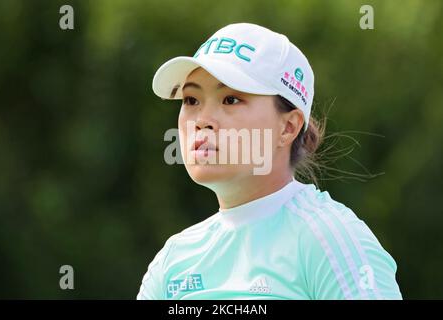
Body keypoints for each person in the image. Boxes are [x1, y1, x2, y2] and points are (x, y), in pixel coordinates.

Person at [137, 22, 402, 300]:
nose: (202, 120)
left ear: (288, 127)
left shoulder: (330, 239)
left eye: (230, 99)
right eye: (191, 100)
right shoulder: (173, 261)